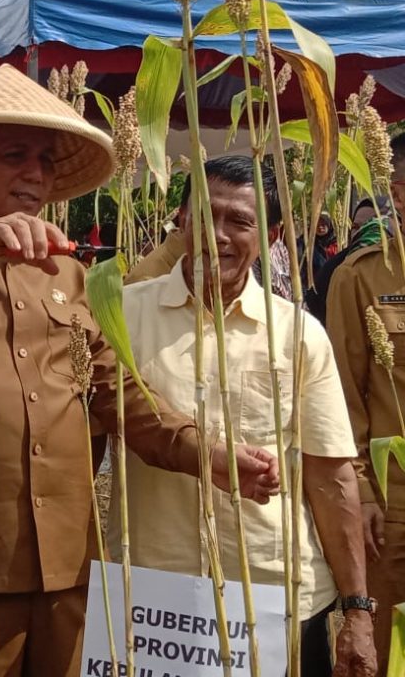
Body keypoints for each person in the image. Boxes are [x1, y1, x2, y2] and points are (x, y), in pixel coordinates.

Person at [0, 65, 280, 677]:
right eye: (15, 155)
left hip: (64, 568)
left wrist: (205, 453)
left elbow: (113, 389)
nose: (36, 173)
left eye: (46, 161)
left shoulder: (67, 277)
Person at [116, 155, 376, 677]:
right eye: (205, 216)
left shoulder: (299, 335)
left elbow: (332, 479)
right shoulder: (122, 313)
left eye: (240, 221)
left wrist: (357, 611)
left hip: (275, 597)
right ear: (182, 221)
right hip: (155, 598)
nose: (218, 236)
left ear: (273, 235)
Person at [328, 133, 405, 675]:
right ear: (398, 191)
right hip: (392, 503)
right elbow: (341, 392)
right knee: (380, 650)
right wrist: (361, 489)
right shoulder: (362, 274)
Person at [306, 197, 392, 327]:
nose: (362, 232)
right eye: (356, 227)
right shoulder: (337, 270)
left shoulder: (398, 266)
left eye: (371, 225)